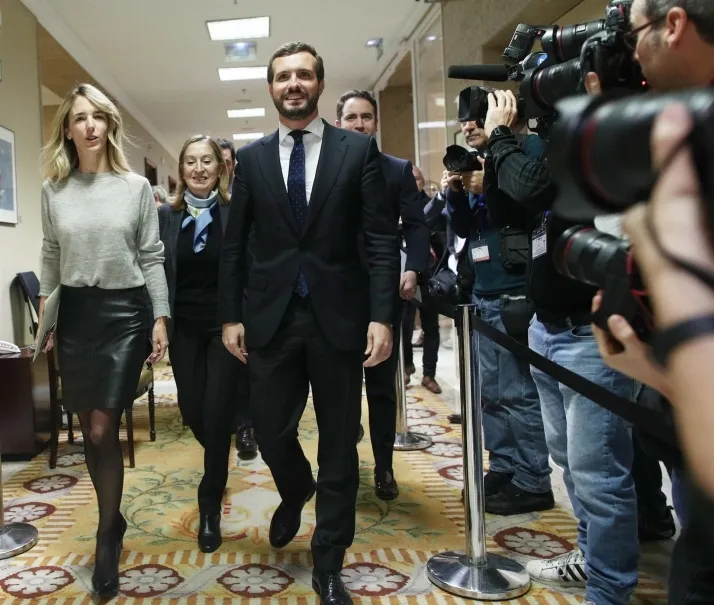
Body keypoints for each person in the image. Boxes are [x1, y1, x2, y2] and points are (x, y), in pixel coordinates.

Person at [218, 42, 399, 604]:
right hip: (270, 318)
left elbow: (380, 239)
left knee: (339, 442)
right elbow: (234, 246)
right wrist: (230, 316)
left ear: (319, 83)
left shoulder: (357, 150)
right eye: (282, 76)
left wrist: (382, 316)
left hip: (339, 318)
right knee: (270, 429)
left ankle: (329, 561)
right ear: (271, 88)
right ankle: (296, 488)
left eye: (303, 75)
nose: (292, 84)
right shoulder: (250, 160)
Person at [38, 83, 169, 597]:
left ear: (110, 123)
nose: (89, 125)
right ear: (68, 130)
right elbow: (51, 253)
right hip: (76, 315)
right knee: (91, 432)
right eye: (79, 118)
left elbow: (152, 257)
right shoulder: (53, 190)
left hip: (124, 315)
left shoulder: (136, 188)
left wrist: (160, 317)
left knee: (101, 425)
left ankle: (105, 537)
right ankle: (112, 519)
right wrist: (46, 313)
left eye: (97, 116)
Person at [446, 91, 554, 516]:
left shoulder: (522, 153)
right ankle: (505, 466)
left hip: (515, 290)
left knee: (517, 392)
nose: (469, 125)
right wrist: (458, 192)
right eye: (464, 120)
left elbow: (533, 203)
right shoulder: (477, 162)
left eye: (476, 117)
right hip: (482, 292)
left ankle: (533, 478)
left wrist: (490, 178)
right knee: (490, 393)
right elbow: (463, 229)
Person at [335, 89, 430, 501]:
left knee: (381, 388)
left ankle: (384, 468)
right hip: (337, 295)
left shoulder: (397, 170)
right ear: (339, 123)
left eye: (366, 117)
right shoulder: (329, 169)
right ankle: (343, 468)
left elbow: (416, 225)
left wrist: (413, 268)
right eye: (351, 117)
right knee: (340, 389)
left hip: (383, 292)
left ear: (375, 122)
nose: (359, 124)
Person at [158, 135, 243, 553]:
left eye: (206, 161)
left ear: (220, 167)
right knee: (193, 410)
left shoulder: (235, 211)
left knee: (216, 408)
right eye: (190, 161)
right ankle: (222, 448)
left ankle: (209, 507)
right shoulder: (165, 216)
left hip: (223, 327)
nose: (198, 169)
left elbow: (248, 267)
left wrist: (242, 320)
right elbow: (154, 270)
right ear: (181, 169)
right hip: (184, 329)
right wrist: (158, 320)